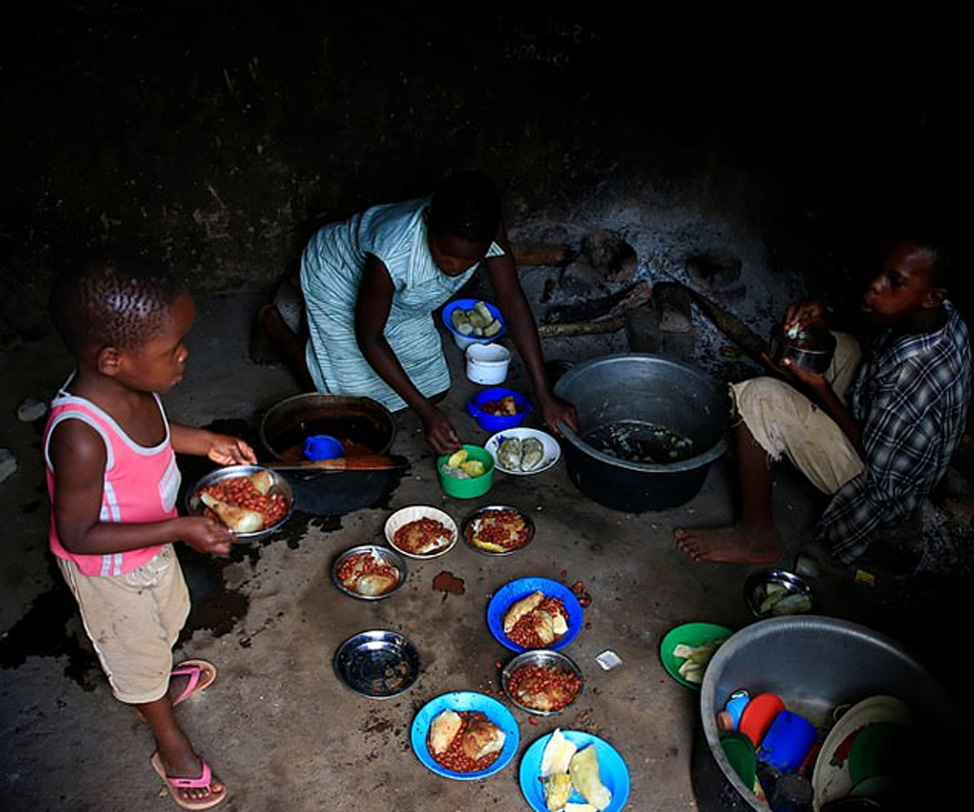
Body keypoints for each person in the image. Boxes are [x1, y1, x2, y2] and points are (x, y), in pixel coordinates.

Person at [45, 249, 257, 810]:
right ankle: (169, 742)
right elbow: (77, 535)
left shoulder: (139, 388)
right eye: (172, 349)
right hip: (109, 574)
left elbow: (157, 439)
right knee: (135, 659)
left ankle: (159, 678)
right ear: (112, 358)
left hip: (153, 550)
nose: (185, 355)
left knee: (167, 620)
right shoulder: (81, 435)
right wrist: (179, 527)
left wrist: (204, 441)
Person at [674, 238, 972, 566]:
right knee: (831, 345)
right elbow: (876, 330)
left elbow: (871, 454)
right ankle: (790, 414)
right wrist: (827, 316)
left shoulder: (914, 374)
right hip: (887, 438)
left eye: (894, 282)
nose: (875, 285)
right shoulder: (938, 317)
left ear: (932, 296)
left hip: (880, 489)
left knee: (759, 397)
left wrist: (819, 389)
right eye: (880, 272)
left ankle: (757, 537)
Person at [259, 170, 577, 454]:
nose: (455, 269)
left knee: (435, 390)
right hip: (339, 272)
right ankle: (273, 321)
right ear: (426, 219)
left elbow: (512, 301)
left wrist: (544, 392)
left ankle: (311, 323)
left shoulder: (486, 227)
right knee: (350, 410)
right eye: (445, 255)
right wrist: (425, 414)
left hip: (401, 297)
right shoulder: (394, 249)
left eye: (470, 261)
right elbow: (369, 336)